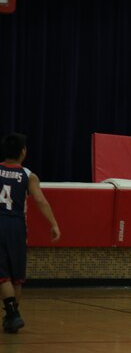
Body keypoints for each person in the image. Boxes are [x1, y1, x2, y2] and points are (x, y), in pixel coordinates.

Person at [0, 133, 61, 333]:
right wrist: (53, 224)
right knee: (16, 276)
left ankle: (12, 314)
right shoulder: (28, 175)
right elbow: (41, 201)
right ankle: (12, 317)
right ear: (23, 152)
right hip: (16, 227)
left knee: (3, 275)